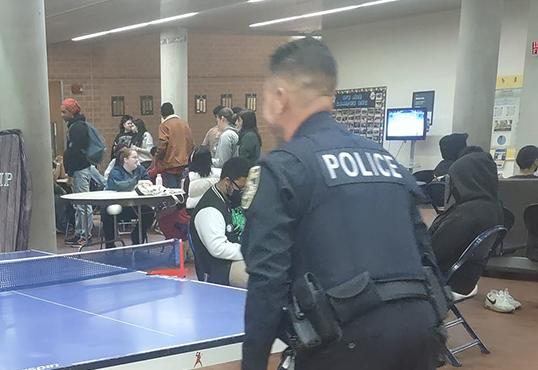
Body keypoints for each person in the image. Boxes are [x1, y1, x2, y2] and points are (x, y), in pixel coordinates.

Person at [241, 38, 445, 370]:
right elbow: (425, 253)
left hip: (345, 344)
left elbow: (267, 281)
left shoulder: (283, 169)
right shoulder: (386, 162)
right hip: (420, 331)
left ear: (279, 98)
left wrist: (252, 364)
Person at [428, 152, 513, 311]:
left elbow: (432, 253)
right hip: (466, 278)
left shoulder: (466, 214)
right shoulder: (495, 208)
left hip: (445, 281)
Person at [190, 157, 250, 287]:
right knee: (260, 278)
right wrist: (250, 252)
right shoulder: (210, 209)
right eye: (241, 188)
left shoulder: (233, 200)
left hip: (240, 256)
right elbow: (218, 248)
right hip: (220, 268)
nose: (243, 193)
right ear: (227, 181)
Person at [62, 98, 106, 246]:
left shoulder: (77, 128)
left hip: (80, 169)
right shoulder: (75, 126)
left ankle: (85, 235)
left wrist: (70, 171)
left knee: (83, 204)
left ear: (72, 112)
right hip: (79, 169)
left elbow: (73, 152)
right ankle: (79, 232)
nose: (62, 115)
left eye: (64, 112)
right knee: (78, 204)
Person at [102, 148, 154, 248]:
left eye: (137, 157)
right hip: (118, 206)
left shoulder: (140, 169)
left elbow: (148, 183)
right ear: (125, 160)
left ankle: (137, 239)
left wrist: (140, 183)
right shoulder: (115, 172)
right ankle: (110, 244)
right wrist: (137, 182)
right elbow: (119, 186)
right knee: (106, 212)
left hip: (134, 206)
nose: (137, 160)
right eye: (134, 157)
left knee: (149, 212)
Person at [155, 102, 193, 188]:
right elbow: (191, 142)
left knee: (172, 193)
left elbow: (162, 145)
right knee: (183, 190)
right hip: (184, 163)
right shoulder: (184, 124)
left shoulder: (164, 125)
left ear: (162, 114)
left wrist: (157, 159)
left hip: (170, 164)